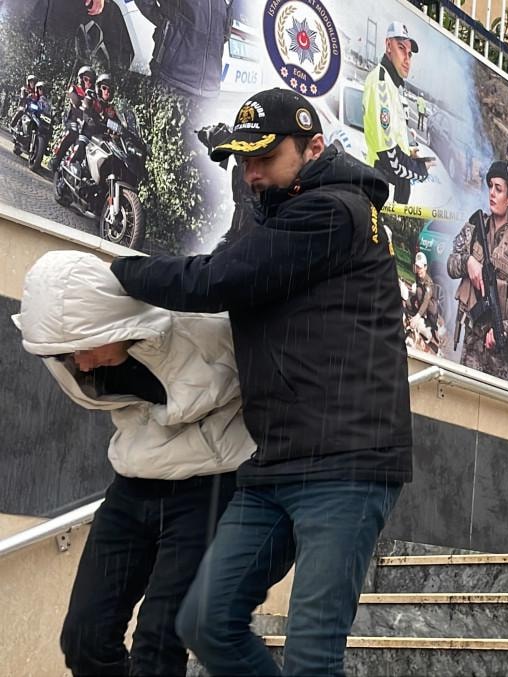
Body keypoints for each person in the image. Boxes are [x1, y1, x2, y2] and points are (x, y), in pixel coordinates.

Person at [108, 87, 412, 676]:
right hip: (276, 461)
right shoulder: (277, 213)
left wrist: (116, 271)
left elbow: (217, 279)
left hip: (347, 463)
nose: (251, 174)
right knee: (206, 622)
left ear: (314, 148)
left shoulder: (335, 213)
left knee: (311, 658)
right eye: (244, 160)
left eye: (265, 158)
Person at [13, 250, 252, 677]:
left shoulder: (205, 329)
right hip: (131, 485)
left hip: (210, 488)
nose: (80, 363)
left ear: (110, 321)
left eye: (83, 348)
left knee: (159, 640)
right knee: (85, 639)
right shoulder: (74, 358)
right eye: (67, 355)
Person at [447, 161, 508, 381]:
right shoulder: (474, 230)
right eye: (490, 186)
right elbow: (450, 264)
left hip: (500, 362)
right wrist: (468, 262)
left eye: (499, 189)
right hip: (471, 354)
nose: (492, 193)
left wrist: (502, 330)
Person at [364, 21, 430, 204]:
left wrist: (409, 152)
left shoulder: (391, 85)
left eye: (409, 54)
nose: (407, 59)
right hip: (382, 193)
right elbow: (388, 155)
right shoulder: (381, 84)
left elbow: (392, 139)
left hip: (390, 193)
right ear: (388, 45)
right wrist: (421, 169)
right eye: (401, 49)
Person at [49, 65, 96, 174]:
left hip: (85, 125)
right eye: (86, 79)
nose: (88, 82)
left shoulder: (93, 96)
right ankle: (56, 158)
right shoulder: (75, 88)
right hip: (72, 120)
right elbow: (74, 99)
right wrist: (80, 102)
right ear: (81, 79)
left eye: (90, 81)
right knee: (73, 131)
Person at [404, 250, 444, 352]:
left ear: (425, 267)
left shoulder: (428, 282)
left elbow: (426, 300)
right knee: (408, 302)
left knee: (430, 306)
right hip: (421, 302)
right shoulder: (418, 276)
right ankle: (413, 318)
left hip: (430, 307)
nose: (419, 270)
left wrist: (417, 317)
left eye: (421, 267)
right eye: (417, 267)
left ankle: (433, 329)